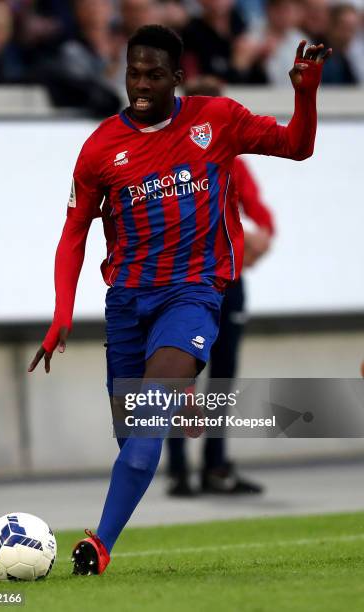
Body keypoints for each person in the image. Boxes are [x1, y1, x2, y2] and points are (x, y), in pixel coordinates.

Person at [28, 24, 331, 575]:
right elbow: (72, 235)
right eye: (132, 73)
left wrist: (305, 93)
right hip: (127, 305)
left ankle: (98, 546)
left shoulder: (216, 119)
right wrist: (61, 315)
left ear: (176, 77)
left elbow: (297, 146)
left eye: (152, 75)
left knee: (143, 424)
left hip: (192, 295)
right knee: (132, 438)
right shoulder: (99, 148)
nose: (140, 86)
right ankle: (179, 401)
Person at [167, 77, 275, 497]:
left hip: (226, 283)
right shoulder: (171, 159)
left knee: (222, 377)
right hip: (184, 284)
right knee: (180, 374)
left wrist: (255, 237)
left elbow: (262, 214)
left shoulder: (233, 158)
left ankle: (212, 466)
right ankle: (179, 469)